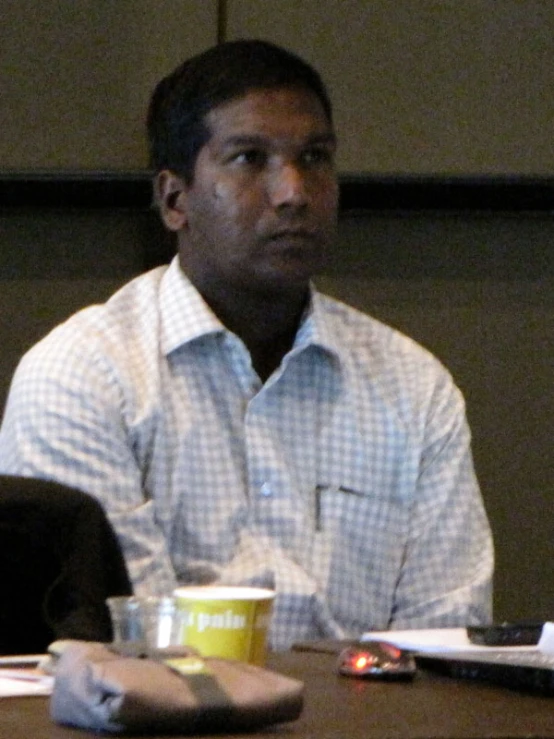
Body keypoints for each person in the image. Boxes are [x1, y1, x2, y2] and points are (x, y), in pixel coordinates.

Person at [0, 39, 493, 650]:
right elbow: (116, 648)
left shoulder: (413, 387)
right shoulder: (82, 375)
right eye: (249, 158)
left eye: (315, 157)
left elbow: (441, 646)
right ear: (174, 200)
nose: (293, 191)